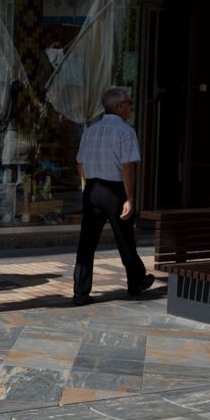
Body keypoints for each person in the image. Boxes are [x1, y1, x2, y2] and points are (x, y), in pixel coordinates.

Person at [72, 87, 154, 306]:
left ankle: (80, 291)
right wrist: (130, 198)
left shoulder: (90, 130)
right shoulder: (126, 132)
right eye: (129, 103)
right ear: (119, 106)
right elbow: (128, 167)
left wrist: (85, 187)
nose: (131, 107)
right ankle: (136, 281)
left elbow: (79, 161)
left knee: (86, 242)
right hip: (115, 190)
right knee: (125, 238)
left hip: (92, 188)